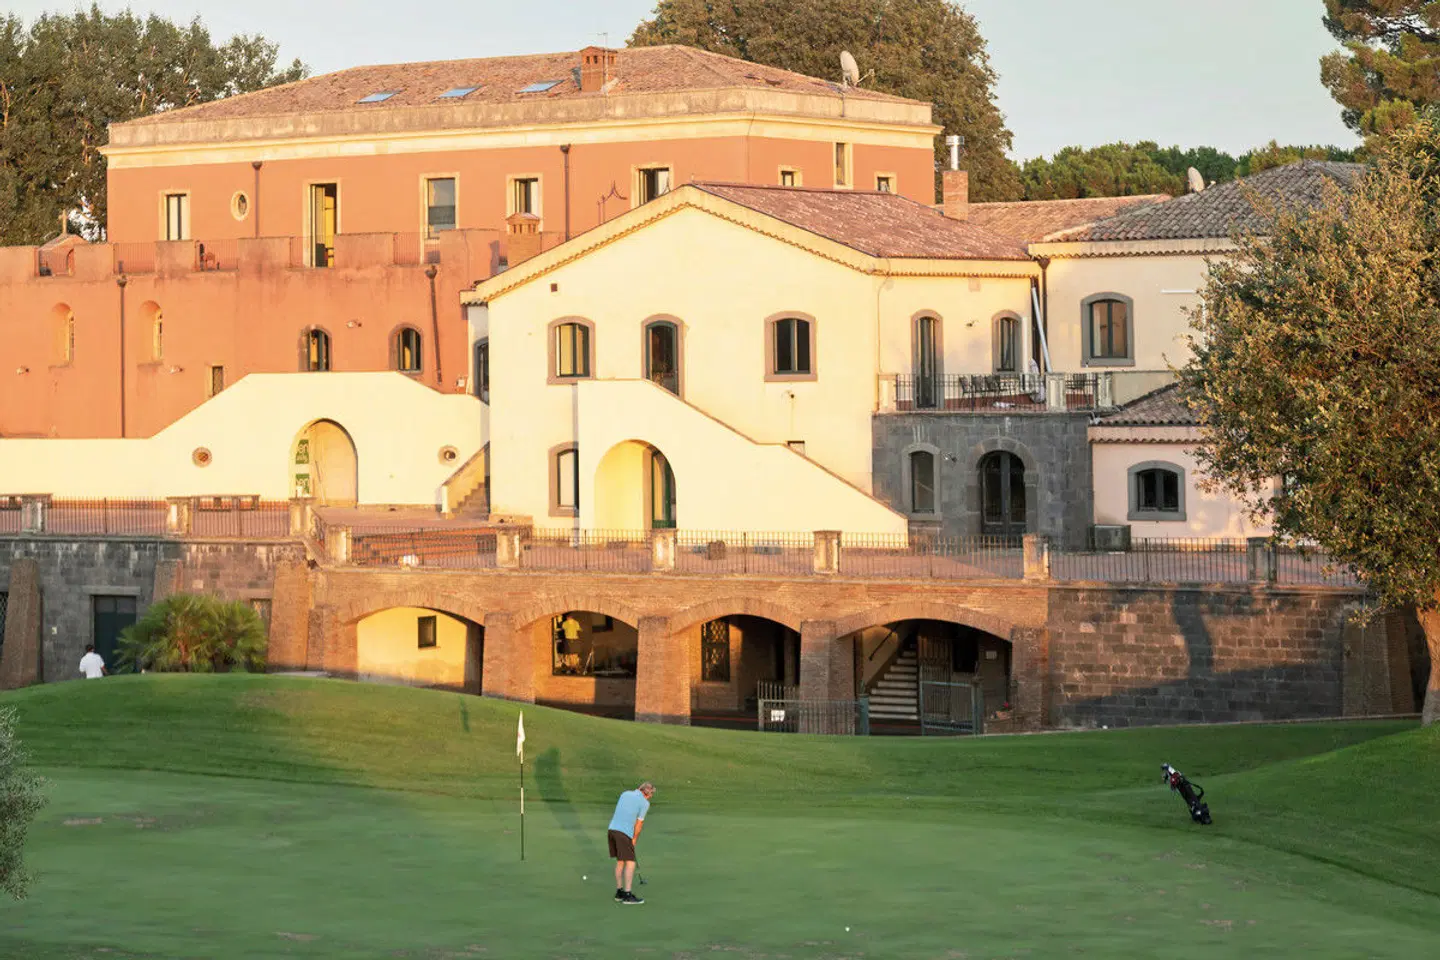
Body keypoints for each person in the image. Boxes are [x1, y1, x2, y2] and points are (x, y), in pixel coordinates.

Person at [607, 781, 655, 904]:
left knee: (620, 861)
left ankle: (619, 892)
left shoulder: (625, 793)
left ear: (639, 788)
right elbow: (639, 824)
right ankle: (627, 895)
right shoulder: (645, 803)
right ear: (648, 795)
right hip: (623, 834)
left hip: (612, 830)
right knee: (630, 863)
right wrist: (633, 839)